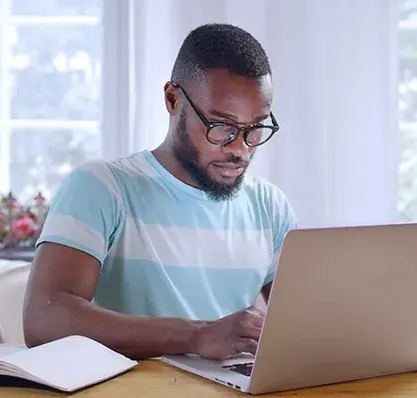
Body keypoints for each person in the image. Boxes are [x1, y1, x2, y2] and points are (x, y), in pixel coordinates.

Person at [23, 23, 298, 360]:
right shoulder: (103, 186)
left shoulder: (269, 207)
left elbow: (306, 324)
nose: (240, 148)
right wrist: (195, 337)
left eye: (255, 129)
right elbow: (42, 319)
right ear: (172, 99)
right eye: (222, 126)